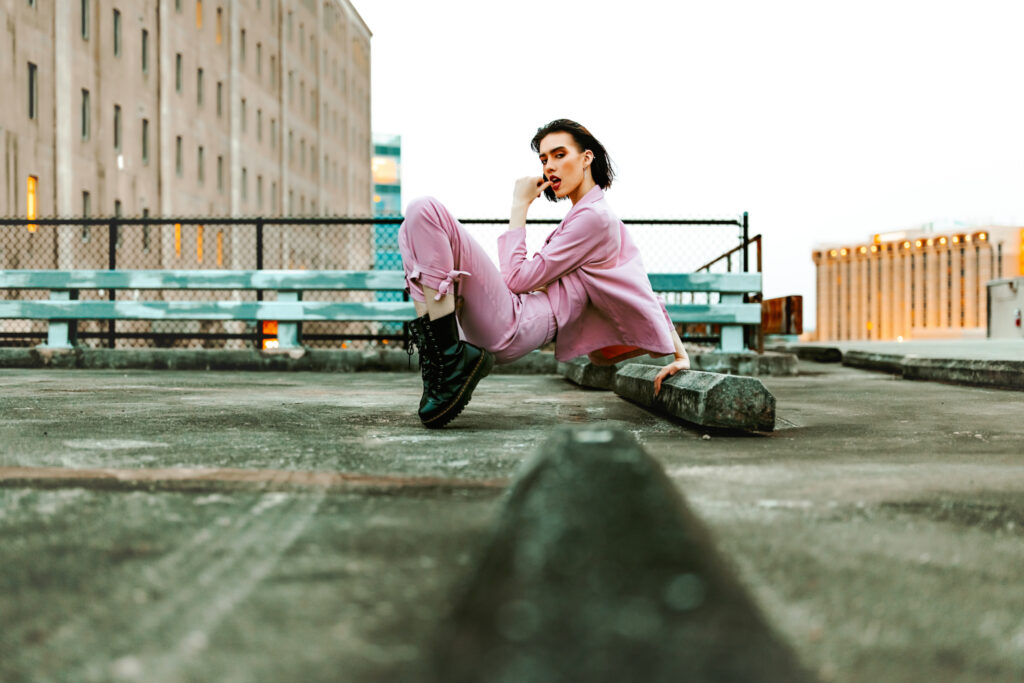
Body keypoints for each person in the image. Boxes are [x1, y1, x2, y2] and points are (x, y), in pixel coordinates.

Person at [398, 119, 691, 428]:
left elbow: (517, 279)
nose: (549, 166)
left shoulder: (595, 219)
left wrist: (519, 205)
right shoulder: (586, 216)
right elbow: (640, 287)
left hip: (519, 322)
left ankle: (450, 359)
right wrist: (680, 353)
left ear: (586, 158)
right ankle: (442, 361)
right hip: (511, 313)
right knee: (411, 228)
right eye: (544, 159)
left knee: (425, 208)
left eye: (559, 154)